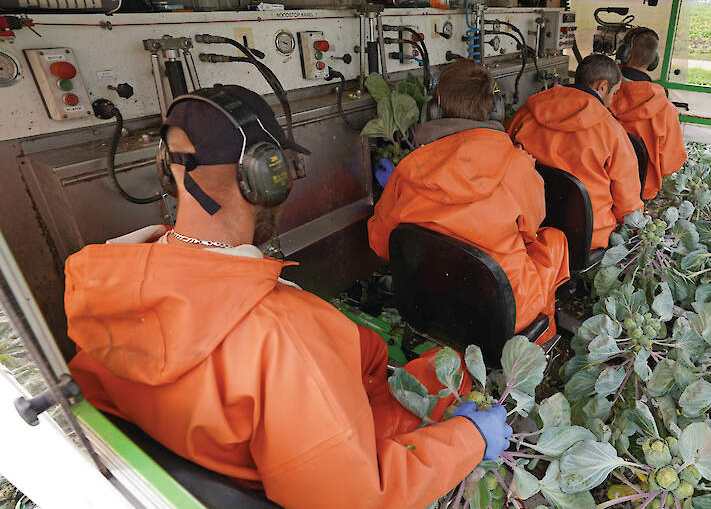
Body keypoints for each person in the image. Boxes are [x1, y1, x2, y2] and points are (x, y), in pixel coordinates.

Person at [64, 85, 511, 509]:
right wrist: (470, 438)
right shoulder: (285, 337)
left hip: (229, 464)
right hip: (314, 471)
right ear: (265, 179)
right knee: (445, 375)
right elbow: (357, 500)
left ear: (167, 169)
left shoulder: (106, 280)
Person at [368, 59, 570, 342]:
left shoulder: (409, 167)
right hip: (504, 312)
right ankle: (535, 346)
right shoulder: (517, 166)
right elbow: (531, 230)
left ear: (434, 111)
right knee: (553, 240)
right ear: (496, 109)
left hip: (426, 304)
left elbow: (381, 243)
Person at [508, 54, 643, 251]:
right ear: (602, 87)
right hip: (588, 237)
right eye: (614, 93)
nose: (612, 101)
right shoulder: (611, 130)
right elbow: (627, 203)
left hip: (528, 227)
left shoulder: (526, 111)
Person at [611, 28, 686, 200]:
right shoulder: (666, 109)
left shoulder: (603, 95)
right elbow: (670, 164)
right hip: (641, 191)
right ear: (655, 61)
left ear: (623, 53)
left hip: (602, 186)